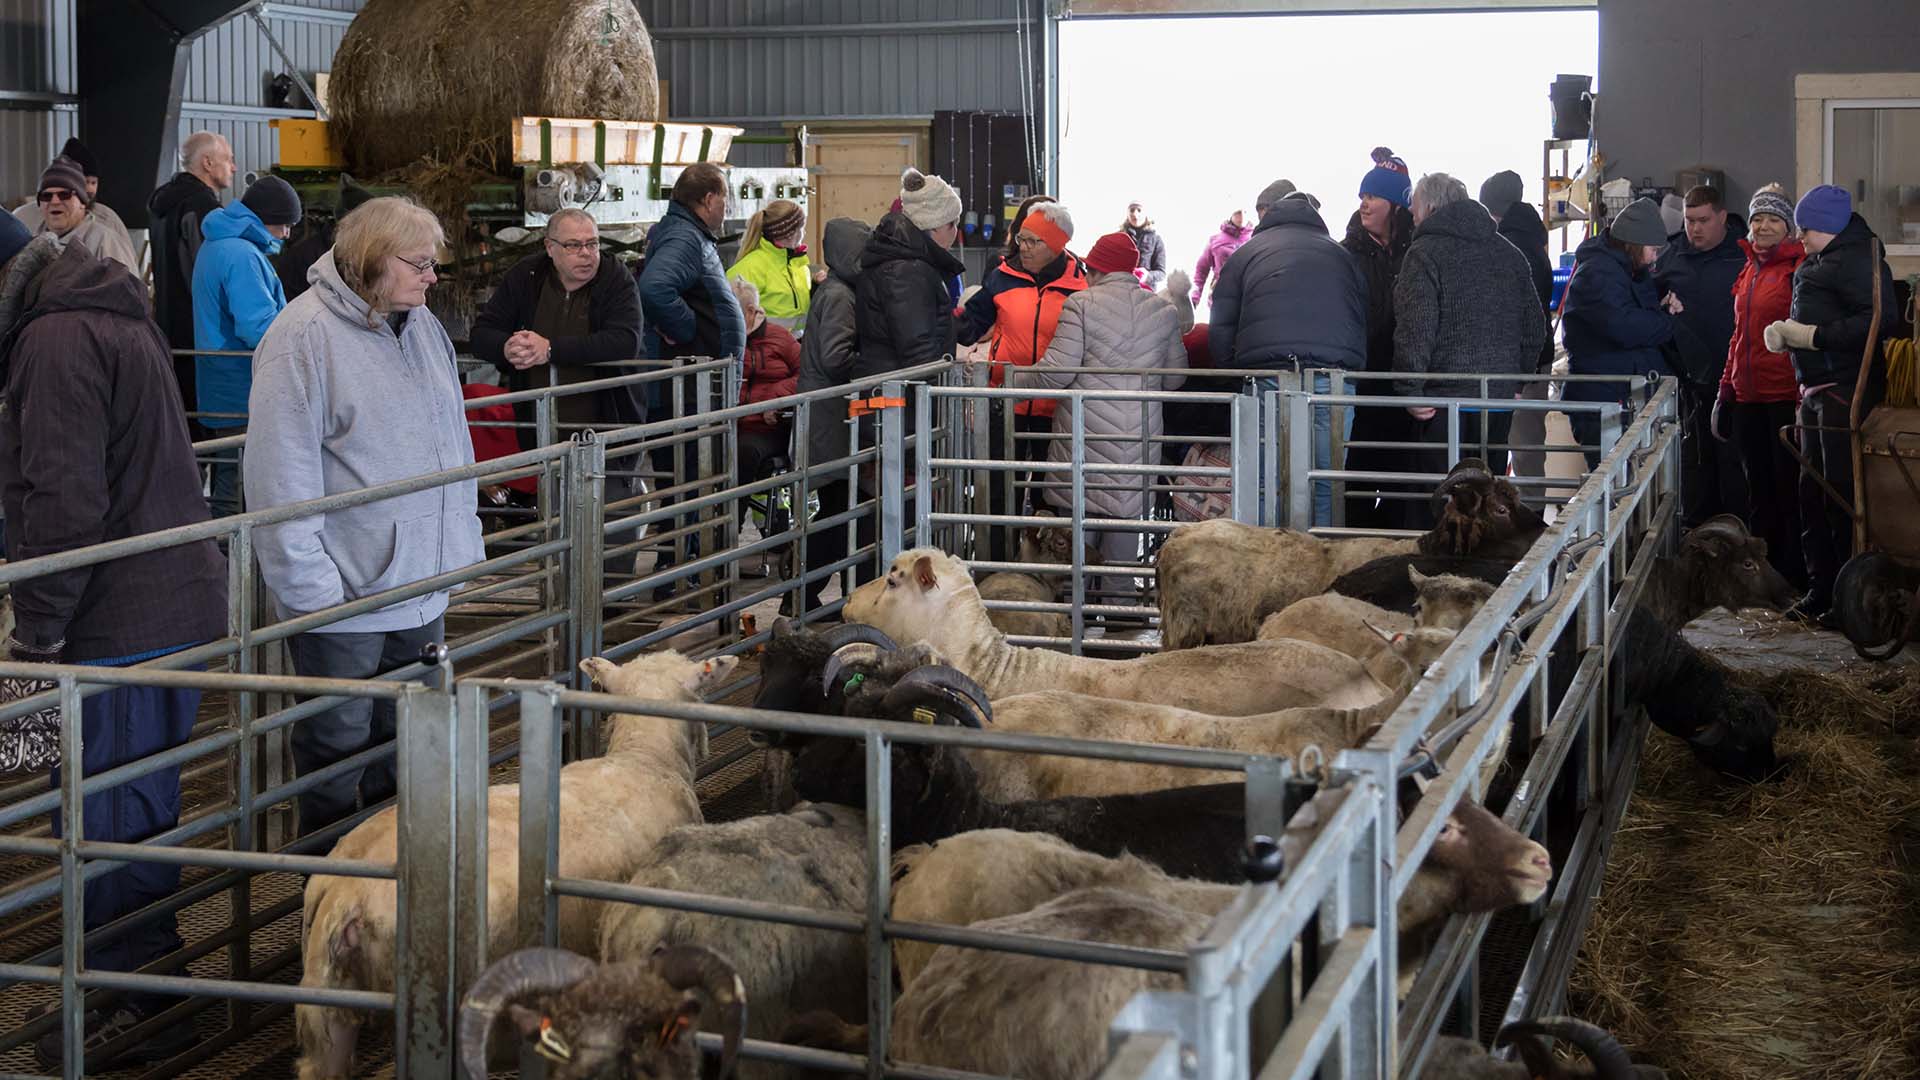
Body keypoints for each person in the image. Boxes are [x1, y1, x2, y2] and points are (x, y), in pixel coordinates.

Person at [0, 222, 226, 1070]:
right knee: (124, 811)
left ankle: (140, 1008)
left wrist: (38, 635)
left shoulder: (56, 339)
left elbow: (63, 499)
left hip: (115, 624)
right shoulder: (108, 314)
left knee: (107, 820)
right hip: (161, 602)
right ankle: (141, 990)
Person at [245, 196, 485, 836]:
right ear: (373, 261)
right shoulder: (301, 340)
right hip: (347, 598)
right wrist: (317, 595)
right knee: (335, 750)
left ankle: (393, 890)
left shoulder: (421, 324)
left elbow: (450, 435)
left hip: (420, 583)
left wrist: (459, 537)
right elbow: (278, 476)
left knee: (408, 744)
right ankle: (326, 895)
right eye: (421, 264)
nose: (433, 277)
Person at [1768, 184, 1897, 619]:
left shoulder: (1860, 259)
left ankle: (1849, 599)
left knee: (1840, 495)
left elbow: (1880, 319)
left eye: (1806, 228)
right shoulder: (1823, 259)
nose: (1799, 236)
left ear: (1828, 226)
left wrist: (1813, 337)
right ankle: (1821, 590)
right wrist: (1789, 334)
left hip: (1845, 389)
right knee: (1813, 493)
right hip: (1815, 389)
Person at [1028, 231, 1187, 576]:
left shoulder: (1080, 305)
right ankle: (1121, 617)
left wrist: (1011, 380)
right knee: (1123, 544)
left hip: (1085, 438)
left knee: (1074, 546)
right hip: (1138, 446)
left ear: (1095, 269)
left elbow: (1055, 373)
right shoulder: (1163, 311)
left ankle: (1074, 618)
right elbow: (1175, 379)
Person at [1210, 181, 1367, 526]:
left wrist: (1229, 374)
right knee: (1325, 480)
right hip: (1333, 380)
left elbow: (1221, 324)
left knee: (1267, 481)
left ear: (1269, 214)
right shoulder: (1340, 254)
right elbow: (1362, 315)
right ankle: (1322, 562)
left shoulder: (1247, 253)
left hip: (1266, 380)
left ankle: (1268, 567)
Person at [1392, 173, 1547, 507]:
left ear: (1430, 207)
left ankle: (1444, 561)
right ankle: (1482, 559)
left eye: (1414, 207)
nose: (1412, 215)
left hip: (1444, 404)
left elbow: (1416, 327)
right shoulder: (1509, 253)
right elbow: (1535, 327)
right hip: (1498, 401)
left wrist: (1409, 388)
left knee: (1442, 501)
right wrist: (1517, 379)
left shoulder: (1424, 253)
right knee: (1485, 499)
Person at [638, 163, 748, 593]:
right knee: (687, 481)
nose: (727, 208)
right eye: (724, 198)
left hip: (693, 386)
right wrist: (688, 331)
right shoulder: (686, 237)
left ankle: (679, 570)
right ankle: (676, 574)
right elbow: (654, 288)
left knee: (683, 481)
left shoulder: (685, 234)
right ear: (708, 200)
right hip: (690, 388)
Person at [852, 169, 964, 580]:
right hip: (897, 406)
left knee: (890, 508)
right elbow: (916, 346)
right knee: (893, 512)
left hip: (894, 401)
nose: (956, 234)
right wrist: (945, 379)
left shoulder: (905, 262)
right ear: (940, 225)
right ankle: (883, 593)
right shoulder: (908, 270)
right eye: (954, 225)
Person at [471, 208, 645, 448]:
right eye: (573, 245)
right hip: (538, 433)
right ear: (550, 247)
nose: (586, 254)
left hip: (605, 433)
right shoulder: (528, 276)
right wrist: (508, 348)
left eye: (592, 244)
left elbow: (625, 341)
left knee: (607, 485)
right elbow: (481, 334)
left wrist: (550, 349)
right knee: (545, 484)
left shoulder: (615, 278)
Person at [1714, 183, 1807, 593]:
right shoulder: (1749, 269)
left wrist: (1805, 396)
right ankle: (1761, 577)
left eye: (1772, 219)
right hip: (1748, 396)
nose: (1764, 226)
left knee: (1788, 489)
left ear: (1787, 227)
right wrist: (1725, 391)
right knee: (1757, 490)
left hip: (1784, 396)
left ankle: (1794, 573)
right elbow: (1739, 335)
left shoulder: (1797, 270)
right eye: (1757, 219)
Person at [192, 175, 302, 517]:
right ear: (265, 218)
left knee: (229, 474)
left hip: (217, 384)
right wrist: (300, 334)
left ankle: (225, 558)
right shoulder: (242, 256)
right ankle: (232, 563)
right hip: (241, 386)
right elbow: (258, 328)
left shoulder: (217, 245)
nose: (286, 234)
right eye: (285, 224)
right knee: (241, 486)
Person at [1655, 185, 1751, 526]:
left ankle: (1737, 529)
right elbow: (1646, 301)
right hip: (1689, 380)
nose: (1695, 228)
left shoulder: (1744, 255)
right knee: (1695, 463)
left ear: (1722, 217)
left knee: (1735, 461)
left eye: (1703, 220)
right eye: (1689, 220)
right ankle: (1696, 533)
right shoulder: (1670, 258)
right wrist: (1662, 306)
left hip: (1736, 379)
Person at [1560, 197, 1674, 468]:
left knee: (1625, 487)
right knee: (1609, 485)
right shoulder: (1598, 275)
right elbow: (1623, 326)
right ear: (1634, 245)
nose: (1655, 257)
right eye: (1653, 250)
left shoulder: (1627, 271)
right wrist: (1667, 321)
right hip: (1604, 401)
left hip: (1619, 397)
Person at [795, 217, 871, 609]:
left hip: (829, 417)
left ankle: (807, 599)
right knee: (839, 515)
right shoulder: (841, 295)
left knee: (839, 511)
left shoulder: (838, 290)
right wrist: (873, 363)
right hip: (832, 420)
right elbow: (835, 357)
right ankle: (803, 599)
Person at [1341, 148, 1417, 528]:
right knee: (1357, 482)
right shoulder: (1347, 253)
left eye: (1373, 196)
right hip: (1364, 384)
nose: (1364, 203)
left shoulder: (1419, 252)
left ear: (1396, 203)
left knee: (1401, 490)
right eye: (1362, 196)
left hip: (1406, 389)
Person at [150, 130, 236, 418]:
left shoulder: (163, 203)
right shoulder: (203, 207)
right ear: (208, 163)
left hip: (168, 327)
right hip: (201, 335)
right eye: (228, 159)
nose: (233, 167)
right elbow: (209, 274)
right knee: (206, 423)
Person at [1480, 170, 1557, 482]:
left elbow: (1513, 314)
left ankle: (1528, 521)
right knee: (1527, 443)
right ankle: (1528, 513)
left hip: (1521, 364)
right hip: (1535, 359)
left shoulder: (1509, 247)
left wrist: (1516, 374)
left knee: (1521, 444)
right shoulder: (1533, 240)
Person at [730, 276, 800, 524]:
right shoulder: (728, 337)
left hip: (768, 427)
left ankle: (728, 532)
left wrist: (777, 397)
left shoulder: (780, 338)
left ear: (750, 311)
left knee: (743, 452)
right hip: (732, 424)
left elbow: (807, 373)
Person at [11, 137, 136, 266]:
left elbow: (128, 282)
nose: (54, 201)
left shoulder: (105, 237)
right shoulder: (22, 219)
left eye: (64, 195)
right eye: (46, 196)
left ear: (82, 202)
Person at [727, 199, 813, 330]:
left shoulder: (798, 265)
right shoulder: (749, 269)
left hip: (795, 345)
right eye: (801, 228)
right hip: (765, 348)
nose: (804, 233)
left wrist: (816, 289)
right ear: (789, 234)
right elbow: (733, 320)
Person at [1190, 210, 1252, 308]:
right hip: (1220, 299)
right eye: (1237, 213)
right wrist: (1195, 295)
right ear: (1231, 214)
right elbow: (1202, 269)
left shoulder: (1255, 238)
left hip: (1246, 298)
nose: (1241, 217)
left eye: (1245, 212)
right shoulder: (1216, 240)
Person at [1121, 201, 1167, 290]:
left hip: (1146, 294)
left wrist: (1147, 276)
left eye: (1139, 210)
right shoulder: (1120, 236)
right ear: (1127, 214)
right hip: (1122, 292)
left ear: (1146, 214)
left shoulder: (1156, 239)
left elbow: (1161, 273)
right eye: (1132, 210)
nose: (1135, 214)